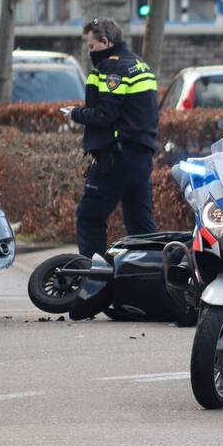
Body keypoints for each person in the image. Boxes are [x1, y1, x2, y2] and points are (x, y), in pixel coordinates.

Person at [69, 17, 159, 264]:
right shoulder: (140, 66)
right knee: (141, 225)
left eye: (91, 45)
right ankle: (153, 276)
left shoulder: (112, 69)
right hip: (141, 156)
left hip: (116, 156)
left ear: (105, 42)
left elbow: (106, 114)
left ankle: (93, 275)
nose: (89, 51)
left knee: (89, 216)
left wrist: (75, 113)